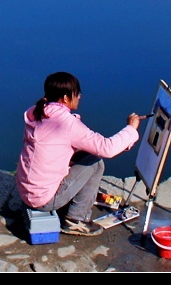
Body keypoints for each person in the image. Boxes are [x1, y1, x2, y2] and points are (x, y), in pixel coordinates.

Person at [16, 71, 144, 237]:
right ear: (65, 99)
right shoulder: (66, 124)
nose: (80, 97)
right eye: (76, 94)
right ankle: (76, 220)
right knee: (95, 163)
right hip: (43, 200)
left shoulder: (36, 112)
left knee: (84, 154)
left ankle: (72, 205)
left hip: (26, 190)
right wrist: (131, 129)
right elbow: (107, 148)